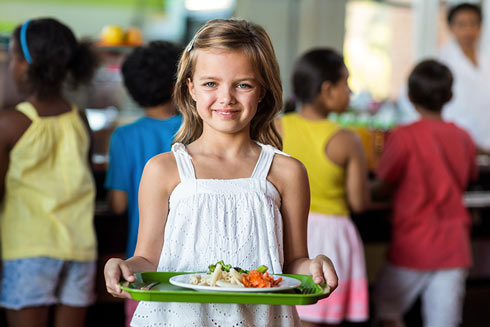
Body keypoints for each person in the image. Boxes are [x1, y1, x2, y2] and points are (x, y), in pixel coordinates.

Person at [104, 18, 339, 326]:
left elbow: (294, 263)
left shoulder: (287, 171)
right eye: (210, 83)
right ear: (191, 88)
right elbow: (147, 259)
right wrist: (121, 266)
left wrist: (316, 265)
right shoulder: (163, 169)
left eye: (243, 84)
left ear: (263, 91)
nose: (226, 98)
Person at [0, 18, 98, 327]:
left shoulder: (10, 123)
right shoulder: (79, 118)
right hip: (81, 247)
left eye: (13, 56)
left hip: (28, 246)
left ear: (27, 65)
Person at [371, 59, 478, 327]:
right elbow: (467, 179)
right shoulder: (464, 137)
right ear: (450, 96)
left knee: (387, 310)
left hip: (413, 244)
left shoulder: (403, 136)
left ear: (409, 97)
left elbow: (384, 186)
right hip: (454, 247)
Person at [278, 48, 369, 326]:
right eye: (346, 83)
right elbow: (359, 203)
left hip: (286, 229)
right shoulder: (347, 139)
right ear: (327, 89)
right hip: (332, 236)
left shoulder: (274, 127)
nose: (350, 92)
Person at [104, 40, 182, 327]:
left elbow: (118, 203)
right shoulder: (196, 130)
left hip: (141, 262)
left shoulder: (124, 136)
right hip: (191, 263)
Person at [439, 2, 490, 154]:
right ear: (451, 28)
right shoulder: (442, 63)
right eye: (461, 24)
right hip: (456, 147)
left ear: (480, 27)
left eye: (473, 23)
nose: (468, 30)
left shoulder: (487, 62)